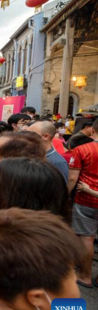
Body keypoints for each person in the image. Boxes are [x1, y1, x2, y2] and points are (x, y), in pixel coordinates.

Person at [66, 119, 98, 289]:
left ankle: (85, 276)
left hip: (87, 199)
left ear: (92, 130)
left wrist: (64, 195)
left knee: (87, 237)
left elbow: (72, 178)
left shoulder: (82, 149)